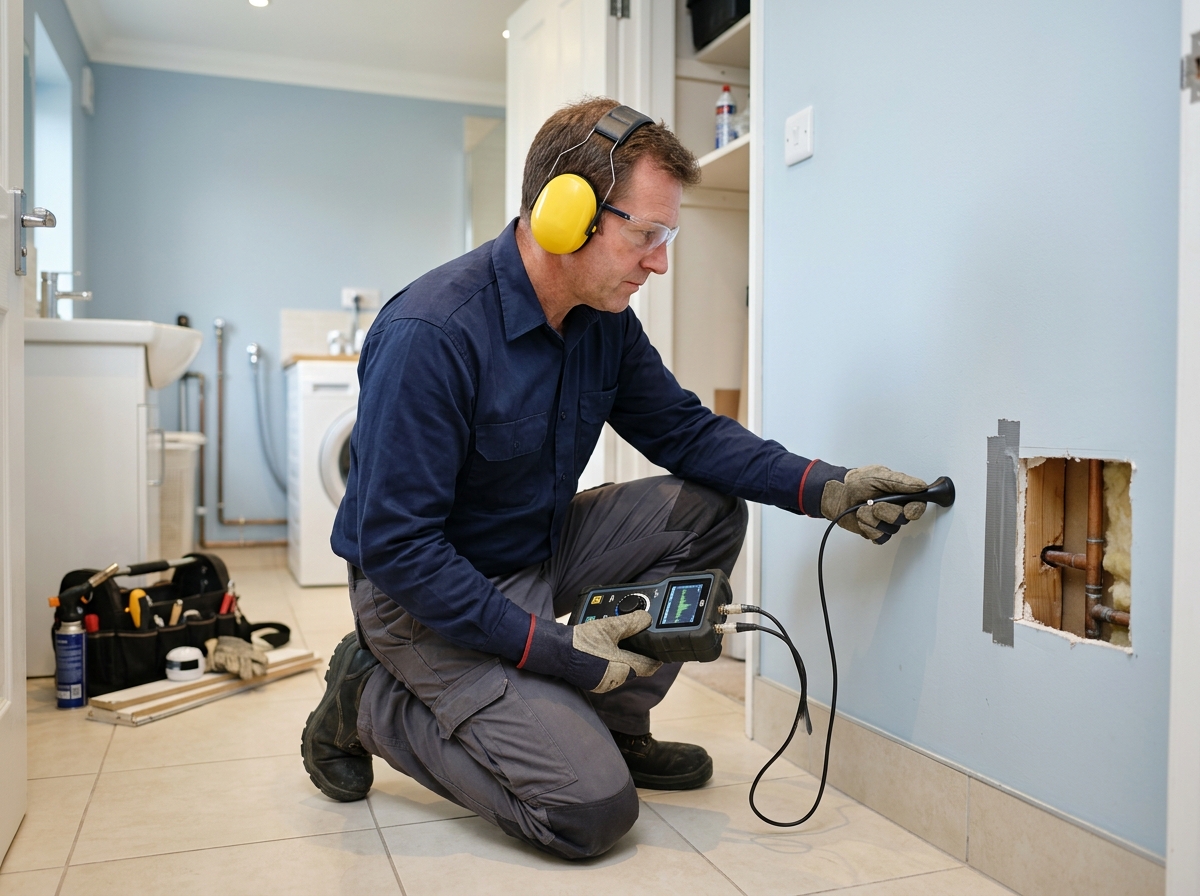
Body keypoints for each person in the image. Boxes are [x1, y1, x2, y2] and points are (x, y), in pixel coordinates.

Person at [301, 97, 928, 860]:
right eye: (646, 235)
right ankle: (369, 697)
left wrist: (823, 487)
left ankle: (617, 724)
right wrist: (559, 651)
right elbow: (400, 549)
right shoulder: (431, 334)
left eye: (668, 238)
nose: (659, 262)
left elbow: (685, 432)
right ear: (567, 215)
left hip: (533, 549)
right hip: (420, 599)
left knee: (707, 511)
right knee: (588, 812)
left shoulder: (603, 323)